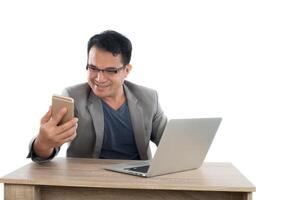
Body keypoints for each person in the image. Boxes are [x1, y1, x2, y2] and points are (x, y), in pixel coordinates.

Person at [27, 30, 167, 163]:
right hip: (89, 183)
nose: (99, 78)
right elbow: (47, 149)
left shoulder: (149, 98)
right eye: (93, 68)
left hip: (138, 183)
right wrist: (43, 144)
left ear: (126, 70)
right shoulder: (73, 97)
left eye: (111, 71)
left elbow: (170, 143)